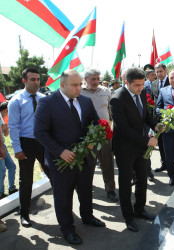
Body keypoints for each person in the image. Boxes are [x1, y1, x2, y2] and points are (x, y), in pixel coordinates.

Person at [34, 69, 105, 245]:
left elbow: (95, 123)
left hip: (85, 158)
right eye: (75, 85)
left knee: (86, 190)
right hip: (61, 161)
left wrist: (93, 139)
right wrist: (60, 151)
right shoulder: (47, 103)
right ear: (62, 85)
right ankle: (67, 229)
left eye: (80, 84)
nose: (79, 88)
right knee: (63, 196)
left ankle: (87, 216)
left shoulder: (86, 101)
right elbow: (40, 132)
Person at [110, 67, 161, 232]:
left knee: (142, 179)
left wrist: (155, 124)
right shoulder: (117, 99)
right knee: (125, 184)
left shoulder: (141, 94)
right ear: (127, 82)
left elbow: (145, 115)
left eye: (142, 84)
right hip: (125, 148)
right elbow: (123, 128)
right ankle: (129, 217)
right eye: (136, 85)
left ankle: (140, 209)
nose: (140, 88)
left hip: (140, 145)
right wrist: (147, 141)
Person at [8, 68, 52, 228]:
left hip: (43, 142)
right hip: (25, 143)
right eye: (32, 79)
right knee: (26, 180)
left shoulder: (43, 99)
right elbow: (13, 126)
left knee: (52, 173)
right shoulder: (16, 100)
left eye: (38, 79)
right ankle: (24, 213)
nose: (36, 82)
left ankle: (63, 207)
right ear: (24, 81)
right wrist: (17, 149)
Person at [81, 68, 118, 202]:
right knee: (88, 165)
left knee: (107, 163)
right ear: (85, 80)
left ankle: (110, 190)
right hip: (88, 137)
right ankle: (86, 190)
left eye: (97, 78)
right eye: (93, 79)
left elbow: (109, 110)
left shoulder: (105, 91)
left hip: (105, 135)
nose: (96, 81)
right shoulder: (80, 93)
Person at [151, 63, 169, 173]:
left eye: (161, 71)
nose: (159, 74)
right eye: (157, 72)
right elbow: (153, 100)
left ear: (165, 71)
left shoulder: (171, 81)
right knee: (161, 143)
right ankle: (164, 164)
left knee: (171, 143)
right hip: (157, 118)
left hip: (169, 117)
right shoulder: (154, 83)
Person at [0, 102, 17, 199]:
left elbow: (5, 135)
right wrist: (1, 146)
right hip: (1, 146)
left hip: (3, 146)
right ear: (6, 109)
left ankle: (11, 188)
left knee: (11, 166)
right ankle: (1, 193)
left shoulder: (2, 118)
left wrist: (5, 129)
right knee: (2, 170)